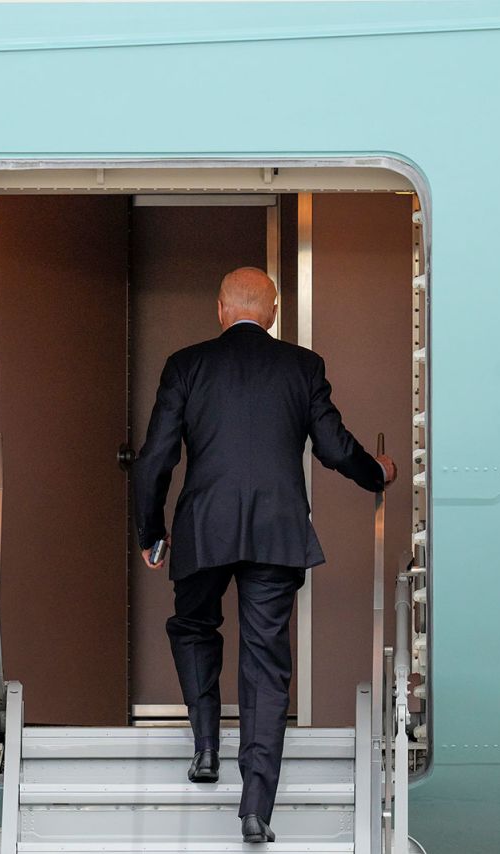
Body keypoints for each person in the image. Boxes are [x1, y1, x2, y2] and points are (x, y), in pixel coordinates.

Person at [130, 266, 396, 845]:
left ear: (220, 309)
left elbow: (154, 459)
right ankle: (256, 807)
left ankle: (205, 747)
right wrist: (377, 473)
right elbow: (333, 447)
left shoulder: (186, 364)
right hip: (276, 532)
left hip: (204, 525)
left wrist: (150, 531)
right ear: (272, 313)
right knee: (265, 662)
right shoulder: (303, 366)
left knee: (194, 626)